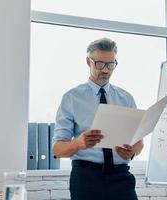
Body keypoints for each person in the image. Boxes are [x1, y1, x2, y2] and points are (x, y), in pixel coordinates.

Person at [53, 38, 143, 200]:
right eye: (100, 64)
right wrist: (78, 143)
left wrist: (132, 152)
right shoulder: (71, 98)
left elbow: (139, 142)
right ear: (88, 62)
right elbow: (58, 149)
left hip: (121, 178)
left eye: (111, 64)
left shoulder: (126, 98)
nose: (106, 70)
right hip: (86, 179)